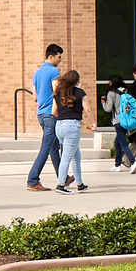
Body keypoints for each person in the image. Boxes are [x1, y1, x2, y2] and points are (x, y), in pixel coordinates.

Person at [25, 43, 65, 191]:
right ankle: (33, 180)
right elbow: (57, 91)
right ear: (51, 56)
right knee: (46, 147)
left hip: (41, 113)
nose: (60, 60)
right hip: (51, 113)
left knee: (53, 147)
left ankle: (64, 177)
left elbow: (35, 97)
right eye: (59, 57)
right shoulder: (54, 72)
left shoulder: (36, 73)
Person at [52, 61, 89, 192]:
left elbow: (53, 112)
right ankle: (60, 184)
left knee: (75, 155)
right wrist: (93, 123)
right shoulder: (80, 92)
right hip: (72, 126)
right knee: (67, 156)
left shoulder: (58, 93)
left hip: (59, 125)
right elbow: (87, 108)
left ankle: (80, 183)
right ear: (76, 81)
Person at [111, 74, 136, 169]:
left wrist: (104, 103)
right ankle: (117, 164)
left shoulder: (111, 93)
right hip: (127, 120)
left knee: (123, 143)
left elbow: (108, 108)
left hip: (118, 120)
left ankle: (133, 162)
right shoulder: (126, 92)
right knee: (118, 142)